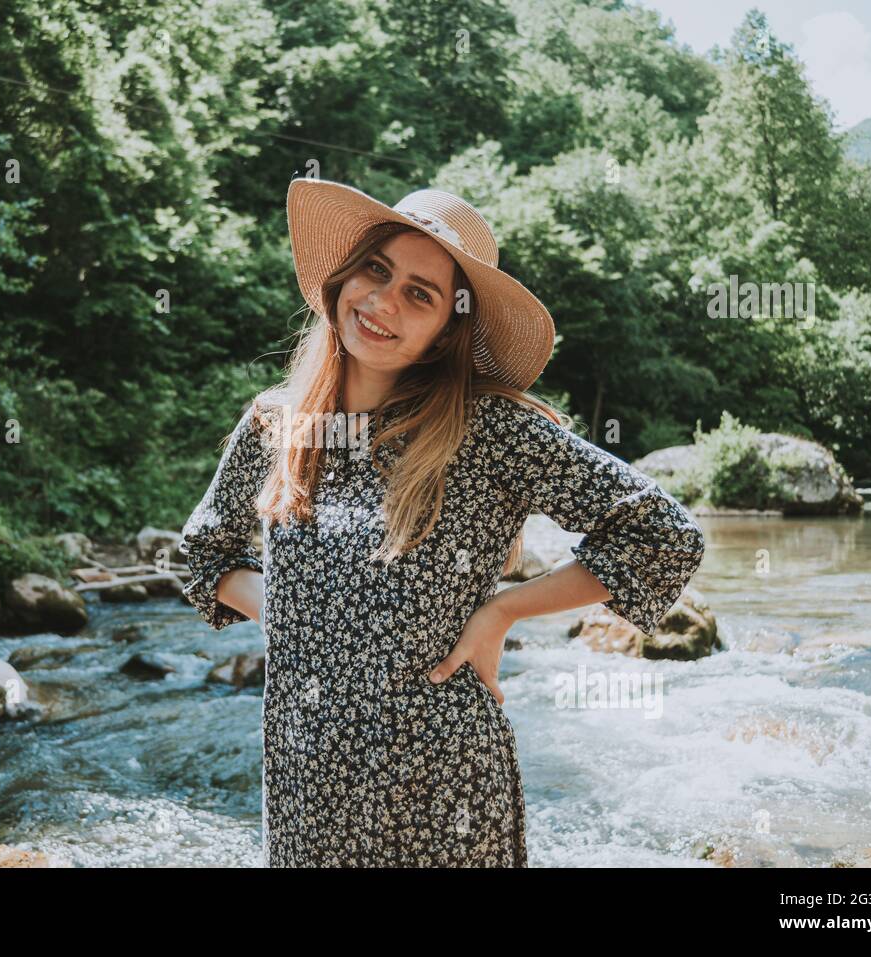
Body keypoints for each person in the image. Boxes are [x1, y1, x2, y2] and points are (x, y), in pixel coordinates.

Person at [179, 178, 706, 867]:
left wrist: (503, 611)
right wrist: (282, 610)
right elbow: (202, 555)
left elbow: (664, 534)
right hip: (307, 786)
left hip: (443, 795)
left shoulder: (488, 430)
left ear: (444, 331)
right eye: (377, 269)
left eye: (419, 294)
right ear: (346, 273)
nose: (382, 301)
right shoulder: (277, 423)